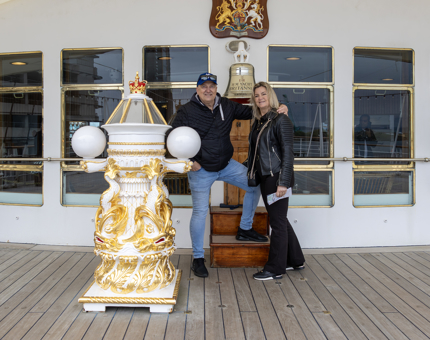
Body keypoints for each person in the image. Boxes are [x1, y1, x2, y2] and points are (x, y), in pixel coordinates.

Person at [169, 73, 288, 278]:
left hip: (226, 165)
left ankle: (245, 228)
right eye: (203, 86)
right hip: (201, 169)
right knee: (199, 212)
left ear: (216, 88)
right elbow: (170, 138)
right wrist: (189, 162)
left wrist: (280, 108)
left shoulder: (227, 105)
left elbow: (255, 110)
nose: (208, 90)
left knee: (254, 185)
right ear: (197, 89)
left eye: (211, 86)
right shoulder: (186, 111)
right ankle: (198, 258)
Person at [247, 81, 305, 281]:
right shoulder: (259, 121)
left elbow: (288, 154)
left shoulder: (281, 120)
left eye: (264, 94)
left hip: (276, 178)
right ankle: (295, 259)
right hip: (265, 177)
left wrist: (283, 182)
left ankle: (275, 268)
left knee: (277, 222)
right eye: (256, 95)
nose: (260, 97)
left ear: (270, 96)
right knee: (280, 219)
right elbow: (257, 151)